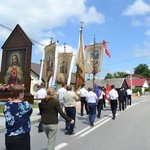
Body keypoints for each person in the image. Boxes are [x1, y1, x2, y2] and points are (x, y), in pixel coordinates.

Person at [3, 84, 33, 150]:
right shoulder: (26, 105)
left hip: (9, 137)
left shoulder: (6, 105)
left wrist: (11, 102)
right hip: (22, 137)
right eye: (23, 93)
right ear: (20, 94)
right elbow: (30, 112)